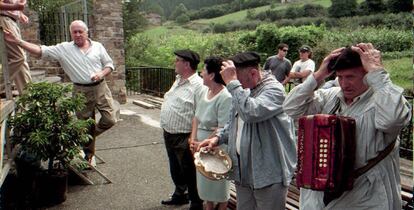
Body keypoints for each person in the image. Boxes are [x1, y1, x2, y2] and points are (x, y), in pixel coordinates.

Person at [283, 43, 412, 209]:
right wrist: (319, 75)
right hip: (318, 200)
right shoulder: (330, 97)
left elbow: (393, 120)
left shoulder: (383, 102)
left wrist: (378, 73)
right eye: (340, 77)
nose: (344, 84)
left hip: (364, 200)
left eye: (350, 77)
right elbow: (291, 107)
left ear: (368, 74)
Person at [3, 20, 117, 164]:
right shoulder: (64, 49)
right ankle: (88, 156)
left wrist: (101, 74)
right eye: (74, 32)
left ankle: (82, 139)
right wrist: (18, 41)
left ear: (87, 32)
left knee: (110, 120)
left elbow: (109, 65)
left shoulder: (98, 47)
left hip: (101, 87)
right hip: (81, 90)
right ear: (71, 34)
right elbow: (40, 50)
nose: (77, 34)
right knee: (85, 125)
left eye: (80, 31)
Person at [198, 52, 297, 210]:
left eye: (239, 81)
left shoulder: (275, 90)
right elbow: (234, 121)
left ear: (253, 73)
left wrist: (233, 83)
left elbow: (250, 113)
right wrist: (217, 138)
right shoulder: (243, 89)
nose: (238, 86)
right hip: (243, 170)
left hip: (269, 174)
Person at [160, 49, 204, 210]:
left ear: (186, 64)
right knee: (175, 168)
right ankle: (180, 195)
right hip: (169, 132)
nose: (174, 63)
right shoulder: (178, 79)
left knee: (190, 171)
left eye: (177, 60)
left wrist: (193, 138)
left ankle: (196, 202)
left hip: (184, 135)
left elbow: (199, 114)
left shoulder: (198, 85)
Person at [188, 56, 232, 210]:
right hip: (199, 146)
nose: (201, 73)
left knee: (219, 188)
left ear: (212, 75)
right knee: (205, 186)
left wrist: (203, 142)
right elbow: (196, 117)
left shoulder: (225, 96)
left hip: (216, 147)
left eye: (204, 70)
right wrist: (192, 139)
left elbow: (222, 127)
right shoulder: (204, 92)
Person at [0, 0, 31, 95]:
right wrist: (15, 7)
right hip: (4, 19)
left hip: (11, 20)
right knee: (18, 57)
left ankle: (29, 99)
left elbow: (12, 4)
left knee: (22, 61)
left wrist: (19, 14)